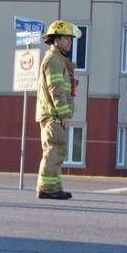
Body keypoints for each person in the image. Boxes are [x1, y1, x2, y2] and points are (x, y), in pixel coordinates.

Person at [36, 20, 81, 200]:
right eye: (67, 38)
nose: (70, 41)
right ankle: (46, 188)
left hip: (53, 115)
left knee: (57, 152)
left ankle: (54, 187)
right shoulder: (54, 61)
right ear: (56, 40)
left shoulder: (58, 60)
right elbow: (57, 90)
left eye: (71, 38)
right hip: (54, 116)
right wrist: (64, 114)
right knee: (53, 151)